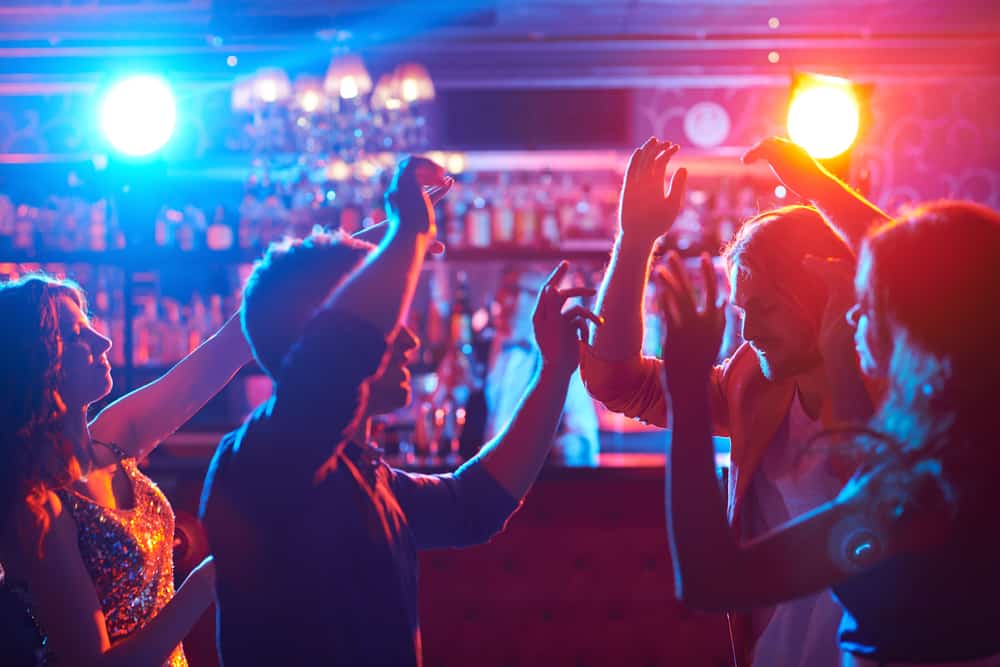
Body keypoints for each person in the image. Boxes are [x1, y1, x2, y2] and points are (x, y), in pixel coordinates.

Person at [199, 156, 601, 666]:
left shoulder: (363, 473)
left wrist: (554, 372)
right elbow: (337, 351)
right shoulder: (263, 459)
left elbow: (472, 504)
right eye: (391, 323)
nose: (409, 339)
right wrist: (407, 233)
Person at [660, 137, 1000, 666]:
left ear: (917, 330)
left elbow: (713, 580)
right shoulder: (961, 460)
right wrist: (818, 187)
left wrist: (686, 389)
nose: (851, 314)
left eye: (866, 301)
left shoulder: (917, 494)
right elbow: (949, 286)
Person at [581, 137, 885, 667]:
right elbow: (616, 381)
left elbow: (941, 283)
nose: (749, 329)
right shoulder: (754, 381)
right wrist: (633, 243)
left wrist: (817, 186)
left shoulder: (902, 388)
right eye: (742, 309)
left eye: (764, 307)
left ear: (823, 288)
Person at [0, 273, 252, 665]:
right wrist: (205, 581)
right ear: (34, 361)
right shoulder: (38, 505)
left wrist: (371, 244)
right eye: (76, 334)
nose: (104, 342)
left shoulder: (112, 440)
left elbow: (231, 344)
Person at [486, 267, 600, 465]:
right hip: (470, 482)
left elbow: (584, 440)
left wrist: (566, 445)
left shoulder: (561, 358)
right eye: (512, 290)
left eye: (531, 294)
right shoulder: (474, 350)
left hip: (529, 485)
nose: (518, 303)